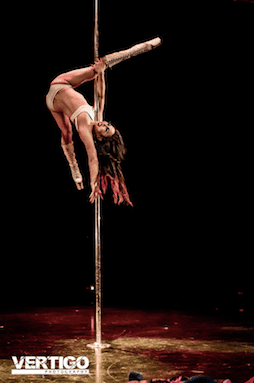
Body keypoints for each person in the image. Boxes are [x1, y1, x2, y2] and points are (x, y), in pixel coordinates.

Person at [46, 58, 132, 205]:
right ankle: (100, 67)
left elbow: (93, 158)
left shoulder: (86, 129)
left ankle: (74, 167)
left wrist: (94, 184)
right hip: (63, 84)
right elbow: (100, 95)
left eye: (104, 129)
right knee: (94, 71)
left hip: (55, 97)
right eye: (108, 125)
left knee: (67, 133)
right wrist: (100, 73)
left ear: (98, 137)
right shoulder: (97, 117)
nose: (104, 123)